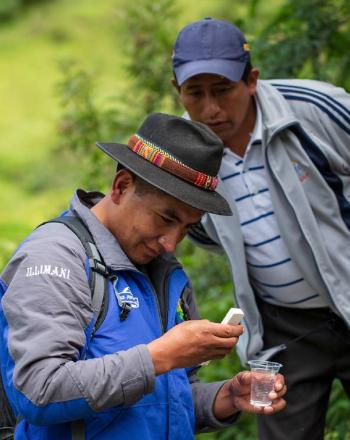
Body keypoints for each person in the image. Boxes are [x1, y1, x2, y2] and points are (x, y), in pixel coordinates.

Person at [0, 113, 286, 440]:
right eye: (166, 218)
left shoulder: (165, 272)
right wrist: (159, 357)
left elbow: (167, 398)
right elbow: (38, 391)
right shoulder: (56, 257)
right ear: (122, 186)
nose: (170, 242)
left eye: (187, 228)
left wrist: (225, 398)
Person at [171, 17, 350, 440]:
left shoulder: (317, 109)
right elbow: (194, 231)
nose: (210, 109)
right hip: (284, 327)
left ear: (251, 80)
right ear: (178, 91)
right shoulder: (181, 154)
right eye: (195, 94)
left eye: (223, 90)